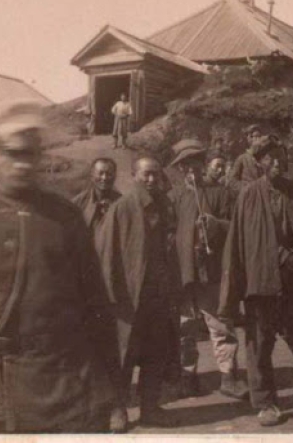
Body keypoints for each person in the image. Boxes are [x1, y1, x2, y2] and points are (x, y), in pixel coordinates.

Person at [0, 99, 116, 434]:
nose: (23, 165)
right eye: (13, 154)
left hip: (73, 383)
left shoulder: (66, 217)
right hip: (6, 390)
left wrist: (112, 387)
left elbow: (97, 305)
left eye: (30, 154)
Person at [219, 137, 293, 427]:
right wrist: (277, 255)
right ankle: (266, 404)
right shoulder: (248, 196)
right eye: (269, 158)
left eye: (280, 157)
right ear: (259, 163)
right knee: (259, 348)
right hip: (261, 286)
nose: (276, 162)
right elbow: (241, 242)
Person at [98, 156, 181, 430]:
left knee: (155, 354)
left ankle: (150, 408)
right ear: (134, 176)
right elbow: (107, 253)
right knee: (124, 356)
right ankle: (118, 409)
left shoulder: (164, 206)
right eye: (146, 174)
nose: (151, 180)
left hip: (158, 296)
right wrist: (111, 297)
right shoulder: (122, 208)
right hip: (128, 297)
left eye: (156, 175)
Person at [168, 140, 247, 400]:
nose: (190, 168)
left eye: (194, 162)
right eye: (184, 164)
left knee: (220, 323)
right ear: (179, 169)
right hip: (183, 271)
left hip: (210, 271)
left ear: (202, 165)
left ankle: (228, 376)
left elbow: (233, 227)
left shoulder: (220, 193)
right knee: (185, 327)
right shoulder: (174, 197)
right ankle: (188, 377)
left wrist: (216, 225)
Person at [73, 157, 122, 233]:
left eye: (109, 174)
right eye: (100, 173)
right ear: (92, 176)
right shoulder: (78, 203)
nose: (104, 178)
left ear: (115, 176)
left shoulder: (122, 203)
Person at [227, 124, 264, 191]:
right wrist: (247, 187)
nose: (258, 139)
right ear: (249, 138)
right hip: (248, 196)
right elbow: (232, 181)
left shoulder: (265, 158)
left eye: (260, 136)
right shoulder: (242, 158)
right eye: (255, 136)